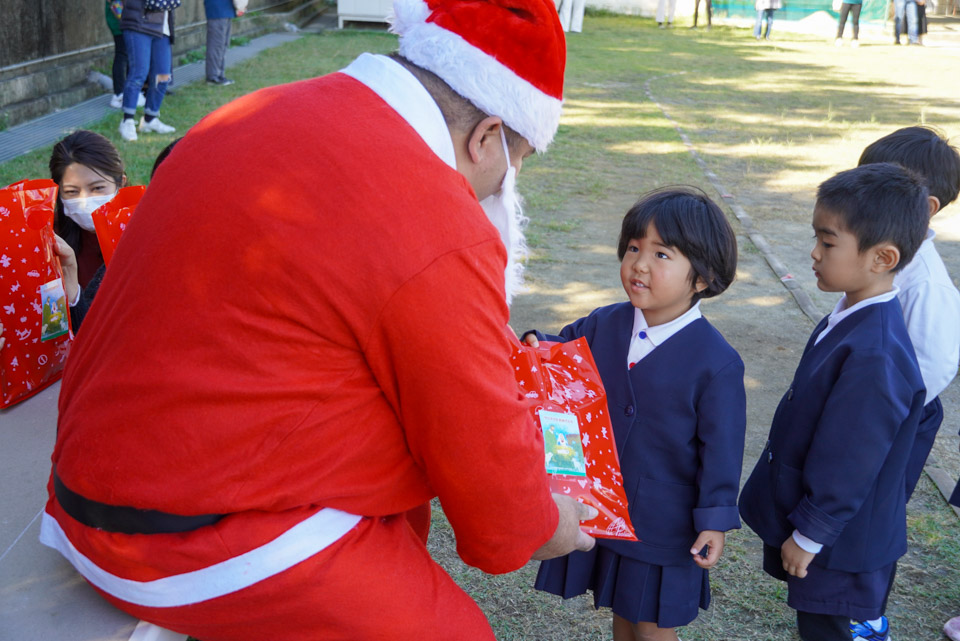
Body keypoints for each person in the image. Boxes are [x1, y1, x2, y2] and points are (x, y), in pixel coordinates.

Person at [39, 0, 596, 639]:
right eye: (516, 160)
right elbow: (495, 498)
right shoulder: (432, 215)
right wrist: (546, 523)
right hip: (182, 536)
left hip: (86, 486)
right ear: (488, 136)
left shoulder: (252, 112)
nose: (509, 180)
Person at [531, 188, 747, 641]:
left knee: (652, 624)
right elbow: (562, 350)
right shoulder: (605, 322)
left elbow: (722, 451)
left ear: (702, 278)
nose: (639, 264)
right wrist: (538, 343)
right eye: (633, 248)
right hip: (607, 504)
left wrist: (714, 519)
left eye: (661, 254)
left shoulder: (717, 361)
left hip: (665, 519)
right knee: (624, 611)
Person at [738, 163, 930, 641]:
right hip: (833, 533)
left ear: (882, 257)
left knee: (827, 629)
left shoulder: (876, 352)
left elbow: (851, 458)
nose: (814, 253)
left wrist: (810, 534)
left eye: (828, 242)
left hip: (842, 540)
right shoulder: (850, 313)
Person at [849, 128, 960, 641]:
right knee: (845, 502)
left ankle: (866, 614)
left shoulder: (927, 283)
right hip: (864, 412)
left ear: (927, 206)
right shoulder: (877, 255)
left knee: (876, 516)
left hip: (899, 419)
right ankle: (836, 594)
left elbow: (936, 363)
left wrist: (886, 408)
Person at [49, 130, 127, 332]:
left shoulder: (140, 235)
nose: (85, 201)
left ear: (121, 183)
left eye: (98, 188)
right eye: (72, 192)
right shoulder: (50, 237)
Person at [118, 0, 177, 142]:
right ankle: (127, 121)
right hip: (139, 23)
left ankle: (150, 119)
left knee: (163, 76)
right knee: (139, 73)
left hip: (162, 28)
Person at [204, 0, 244, 85]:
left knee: (222, 44)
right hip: (218, 9)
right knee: (217, 44)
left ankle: (219, 74)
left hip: (225, 8)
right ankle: (213, 76)